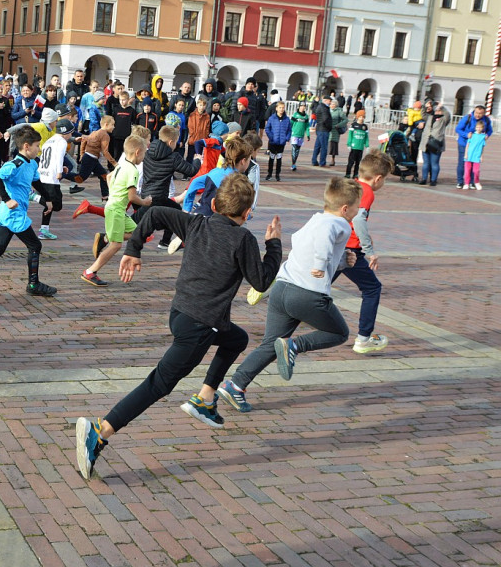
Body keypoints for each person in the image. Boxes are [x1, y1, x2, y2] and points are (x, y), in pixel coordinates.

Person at [74, 174, 282, 479]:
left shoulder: (198, 223)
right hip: (200, 326)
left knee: (236, 339)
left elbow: (155, 213)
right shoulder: (244, 239)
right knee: (159, 384)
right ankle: (100, 432)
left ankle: (205, 399)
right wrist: (274, 245)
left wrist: (134, 248)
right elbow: (262, 281)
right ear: (246, 214)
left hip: (181, 314)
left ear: (213, 204)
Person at [219, 178, 362, 413]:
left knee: (269, 345)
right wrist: (321, 261)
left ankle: (235, 385)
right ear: (345, 208)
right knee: (338, 332)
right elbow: (325, 241)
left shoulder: (315, 220)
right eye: (357, 207)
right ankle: (293, 346)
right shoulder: (340, 223)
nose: (358, 211)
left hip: (282, 290)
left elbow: (303, 244)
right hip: (307, 294)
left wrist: (341, 261)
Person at [0, 125, 57, 297]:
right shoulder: (15, 164)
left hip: (11, 213)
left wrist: (47, 200)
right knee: (35, 245)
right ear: (26, 146)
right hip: (13, 213)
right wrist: (7, 199)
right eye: (37, 146)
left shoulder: (31, 163)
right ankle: (33, 285)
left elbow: (37, 183)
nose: (38, 149)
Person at [333, 150, 393, 354]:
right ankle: (364, 338)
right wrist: (369, 250)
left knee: (316, 286)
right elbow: (358, 219)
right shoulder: (367, 191)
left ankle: (274, 285)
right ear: (378, 178)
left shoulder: (350, 184)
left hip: (337, 243)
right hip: (350, 249)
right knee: (372, 288)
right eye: (384, 180)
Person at [81, 135, 151, 287]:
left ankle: (105, 237)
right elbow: (132, 197)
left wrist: (113, 193)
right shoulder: (133, 170)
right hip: (116, 210)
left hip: (116, 208)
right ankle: (90, 271)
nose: (144, 157)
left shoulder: (122, 163)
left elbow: (109, 176)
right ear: (138, 152)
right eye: (145, 153)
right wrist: (145, 202)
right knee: (116, 244)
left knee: (137, 233)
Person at [35, 118, 75, 241]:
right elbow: (58, 157)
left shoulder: (49, 141)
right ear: (66, 132)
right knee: (56, 205)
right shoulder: (62, 142)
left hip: (43, 174)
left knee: (49, 205)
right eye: (70, 133)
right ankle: (33, 197)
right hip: (51, 177)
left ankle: (44, 230)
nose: (71, 135)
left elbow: (45, 158)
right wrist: (59, 171)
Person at [76, 115, 117, 199]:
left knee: (103, 175)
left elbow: (84, 139)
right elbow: (105, 152)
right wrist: (114, 163)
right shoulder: (105, 135)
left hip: (91, 158)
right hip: (90, 159)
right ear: (106, 125)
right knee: (81, 178)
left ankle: (105, 195)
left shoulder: (95, 132)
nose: (114, 127)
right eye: (112, 125)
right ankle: (64, 174)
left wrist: (82, 154)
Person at [454, 105, 493, 189]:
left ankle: (471, 182)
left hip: (476, 146)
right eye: (476, 113)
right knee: (462, 163)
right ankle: (460, 181)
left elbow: (490, 130)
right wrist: (466, 135)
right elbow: (458, 129)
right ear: (474, 111)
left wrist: (487, 135)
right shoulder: (467, 118)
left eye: (480, 113)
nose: (478, 115)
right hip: (464, 144)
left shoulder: (486, 120)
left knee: (473, 163)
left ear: (483, 113)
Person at [419, 104, 451, 186]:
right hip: (425, 143)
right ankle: (424, 179)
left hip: (436, 143)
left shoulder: (443, 119)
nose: (437, 111)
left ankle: (433, 180)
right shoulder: (429, 117)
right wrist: (425, 106)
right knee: (426, 163)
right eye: (436, 110)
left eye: (439, 110)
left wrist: (442, 107)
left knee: (434, 163)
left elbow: (448, 115)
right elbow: (422, 114)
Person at [264, 101, 290, 181]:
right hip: (273, 142)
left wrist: (286, 138)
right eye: (280, 108)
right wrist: (271, 137)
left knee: (279, 159)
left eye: (283, 108)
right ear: (276, 108)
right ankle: (269, 174)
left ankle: (277, 174)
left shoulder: (287, 119)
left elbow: (289, 130)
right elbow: (267, 128)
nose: (281, 109)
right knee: (271, 158)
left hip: (281, 143)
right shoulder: (272, 118)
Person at [462, 119, 488, 190]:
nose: (479, 128)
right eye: (477, 127)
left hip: (477, 156)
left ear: (483, 128)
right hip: (469, 155)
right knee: (467, 170)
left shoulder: (483, 137)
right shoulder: (472, 135)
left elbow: (482, 147)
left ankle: (477, 182)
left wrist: (481, 156)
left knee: (476, 171)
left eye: (480, 127)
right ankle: (466, 183)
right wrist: (465, 154)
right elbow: (467, 145)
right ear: (475, 127)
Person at [344, 110, 369, 180]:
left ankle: (355, 174)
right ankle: (348, 173)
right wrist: (349, 144)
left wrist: (367, 146)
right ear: (357, 117)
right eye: (360, 117)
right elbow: (350, 135)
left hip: (360, 148)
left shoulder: (365, 127)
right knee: (351, 162)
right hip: (354, 147)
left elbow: (366, 137)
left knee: (358, 162)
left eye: (363, 117)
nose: (362, 118)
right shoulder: (353, 125)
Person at [310, 94, 333, 166]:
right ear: (325, 100)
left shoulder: (321, 106)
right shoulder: (323, 108)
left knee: (317, 146)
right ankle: (322, 162)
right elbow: (325, 119)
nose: (330, 103)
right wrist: (329, 127)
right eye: (329, 101)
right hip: (323, 129)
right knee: (324, 147)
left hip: (320, 129)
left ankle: (314, 161)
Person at [289, 103, 310, 171]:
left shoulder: (306, 116)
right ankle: (293, 164)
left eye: (304, 106)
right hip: (294, 134)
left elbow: (307, 126)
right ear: (299, 107)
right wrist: (288, 132)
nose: (303, 107)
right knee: (294, 149)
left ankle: (294, 163)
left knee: (297, 150)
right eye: (301, 106)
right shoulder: (295, 115)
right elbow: (291, 124)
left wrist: (308, 134)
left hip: (301, 135)